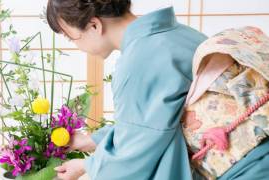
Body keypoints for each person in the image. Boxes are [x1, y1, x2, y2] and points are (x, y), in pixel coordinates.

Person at [46, 0, 207, 179]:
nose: (77, 46)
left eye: (71, 37)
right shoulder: (182, 34)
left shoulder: (137, 62)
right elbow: (153, 123)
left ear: (94, 25)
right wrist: (92, 140)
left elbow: (136, 153)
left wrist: (88, 165)